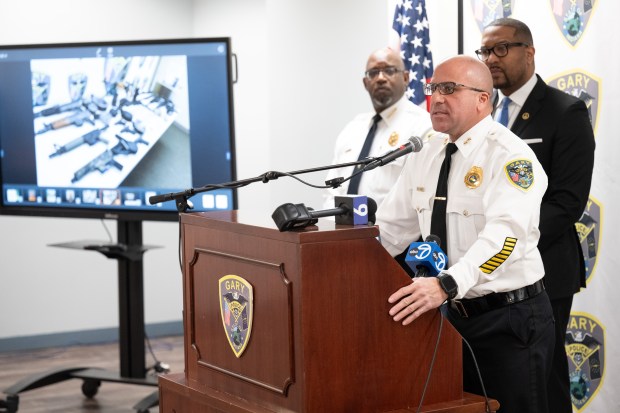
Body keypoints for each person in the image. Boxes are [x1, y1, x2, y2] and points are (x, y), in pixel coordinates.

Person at [377, 55, 554, 413]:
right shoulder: (425, 151)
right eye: (433, 89)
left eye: (449, 89)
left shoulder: (509, 157)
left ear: (482, 99)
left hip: (509, 321)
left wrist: (446, 284)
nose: (437, 98)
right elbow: (390, 229)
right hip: (452, 320)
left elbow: (506, 239)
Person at [477, 18, 595, 413]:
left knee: (545, 380)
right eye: (485, 51)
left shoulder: (566, 111)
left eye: (501, 49)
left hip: (544, 270)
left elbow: (567, 202)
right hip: (485, 270)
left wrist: (507, 242)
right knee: (496, 382)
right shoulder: (482, 115)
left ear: (529, 52)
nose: (491, 58)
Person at [322, 47, 432, 210]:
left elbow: (421, 198)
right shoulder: (353, 128)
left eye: (389, 70)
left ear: (406, 77)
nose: (380, 78)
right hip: (342, 231)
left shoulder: (422, 126)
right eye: (373, 73)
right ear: (366, 83)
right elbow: (332, 191)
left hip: (391, 234)